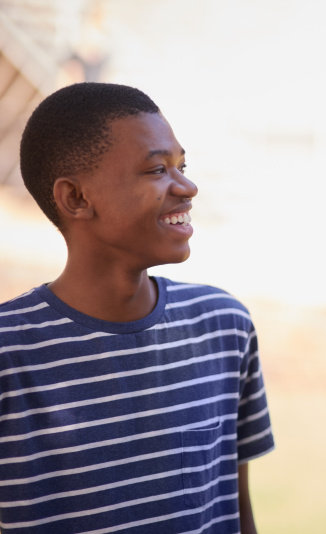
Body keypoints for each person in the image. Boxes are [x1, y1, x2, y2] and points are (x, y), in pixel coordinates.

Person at [0, 83, 274, 533]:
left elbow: (236, 508)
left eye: (182, 165)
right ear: (76, 198)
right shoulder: (10, 351)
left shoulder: (224, 326)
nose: (188, 187)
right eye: (156, 170)